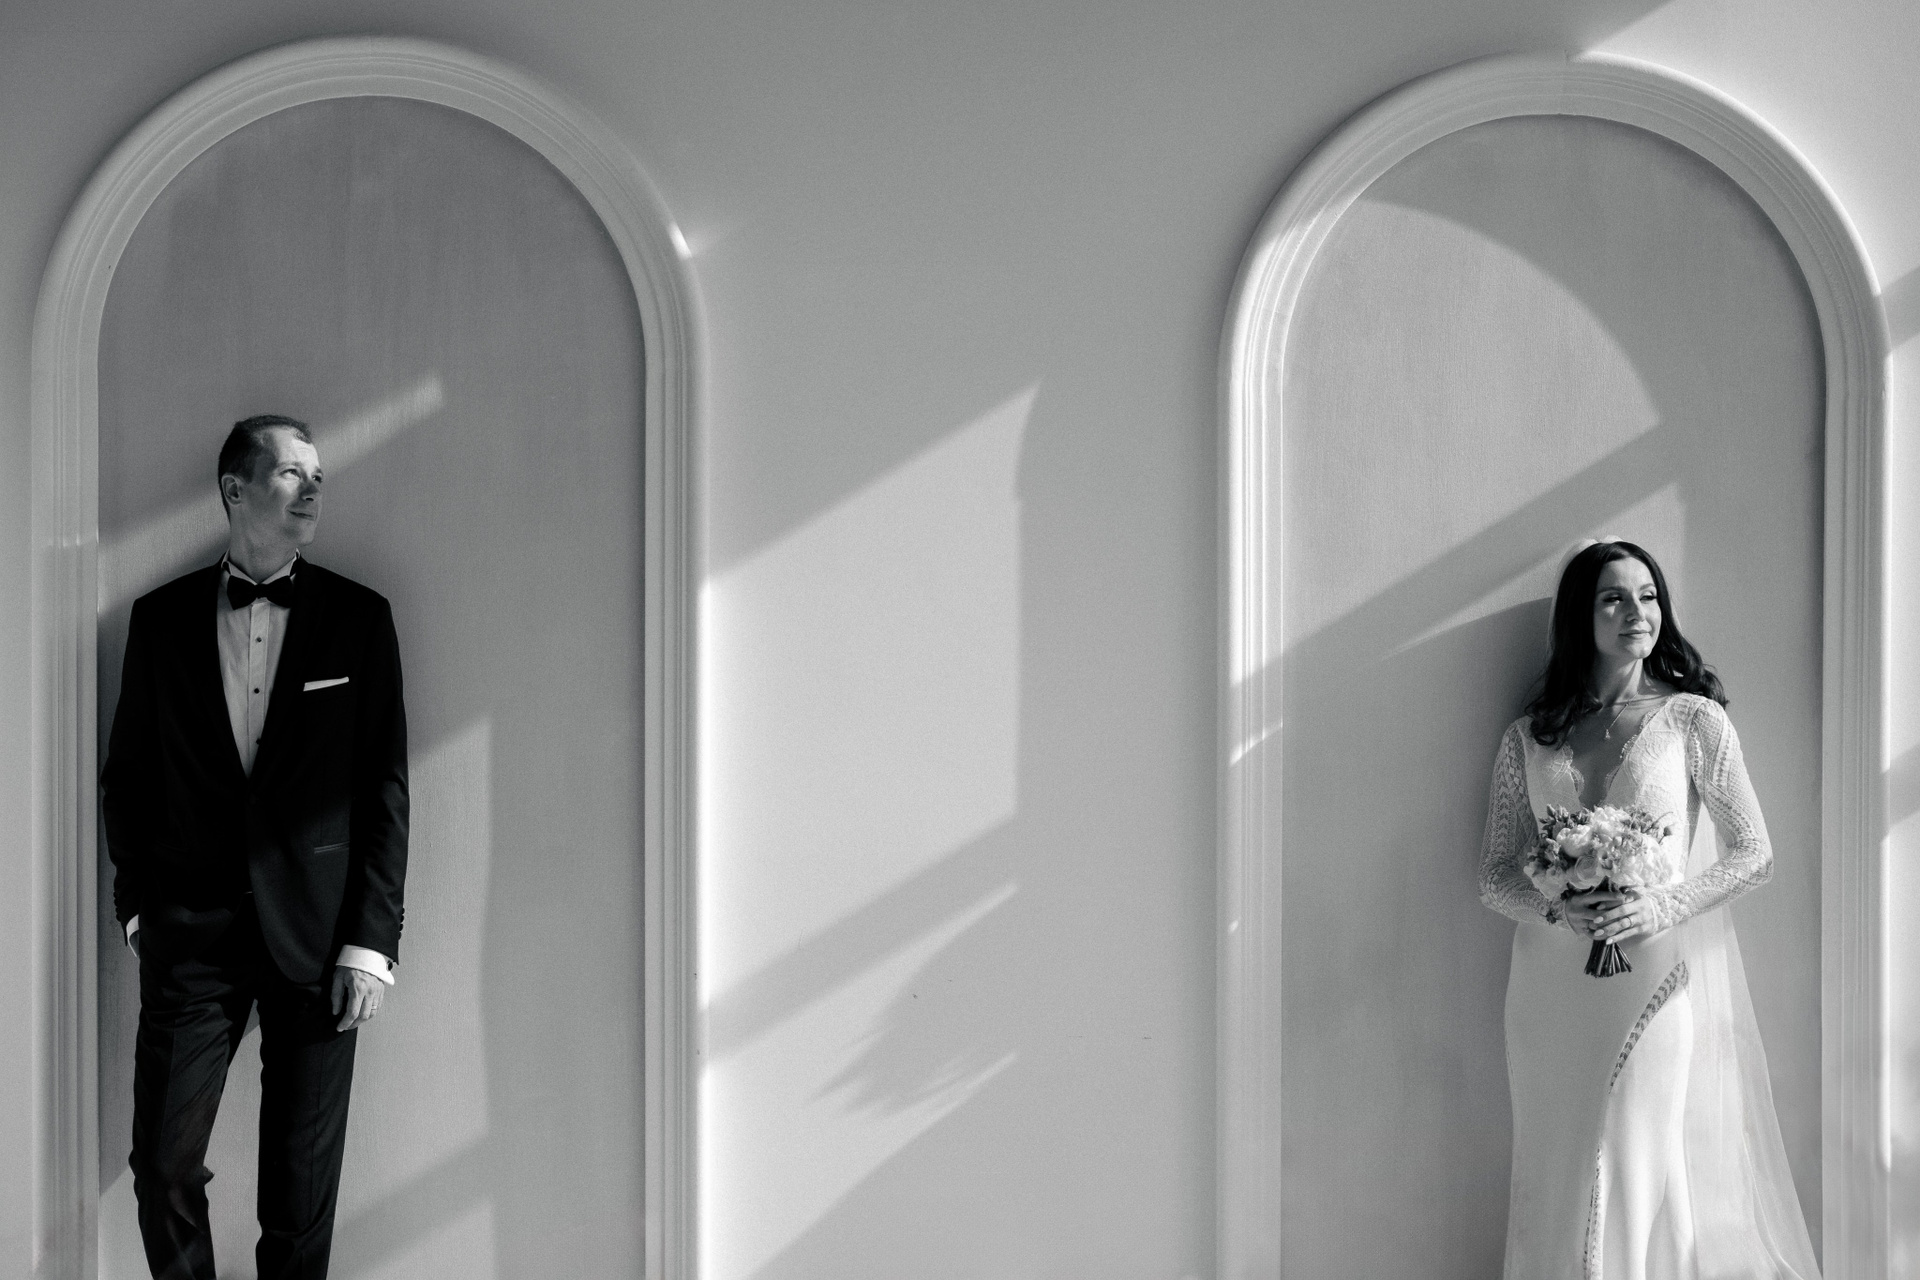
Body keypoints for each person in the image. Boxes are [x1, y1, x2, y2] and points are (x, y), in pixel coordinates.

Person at [102, 414, 409, 1280]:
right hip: (190, 938)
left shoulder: (359, 619)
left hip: (319, 938)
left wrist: (371, 945)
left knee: (299, 1196)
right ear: (235, 490)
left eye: (318, 477)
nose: (311, 489)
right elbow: (128, 778)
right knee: (164, 1166)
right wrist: (138, 911)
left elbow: (384, 790)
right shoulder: (161, 622)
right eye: (290, 474)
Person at [1478, 539, 1819, 1279]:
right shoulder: (1528, 738)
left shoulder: (1693, 720)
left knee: (1631, 1161)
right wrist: (1556, 912)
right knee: (1552, 1172)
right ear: (1581, 616)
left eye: (1649, 595)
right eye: (1614, 598)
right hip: (1546, 992)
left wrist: (1662, 908)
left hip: (1650, 983)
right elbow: (1495, 875)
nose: (1638, 612)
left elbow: (1753, 851)